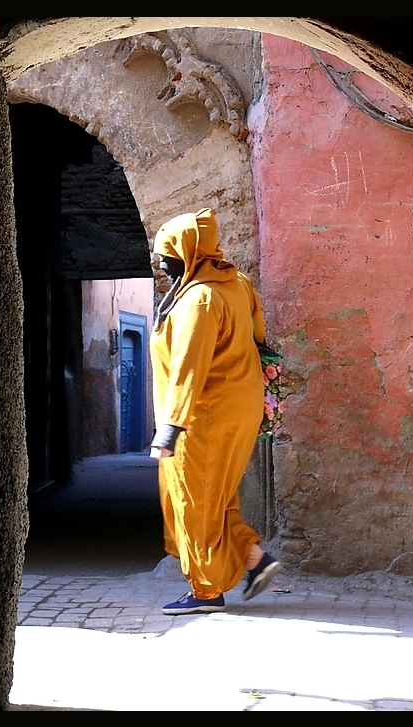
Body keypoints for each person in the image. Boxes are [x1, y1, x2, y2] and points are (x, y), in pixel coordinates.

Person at [148, 207, 281, 615]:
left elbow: (191, 365)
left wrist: (171, 427)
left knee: (194, 500)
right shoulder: (236, 284)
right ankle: (255, 558)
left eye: (167, 258)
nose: (164, 268)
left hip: (202, 414)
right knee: (216, 497)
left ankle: (206, 592)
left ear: (187, 254)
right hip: (237, 407)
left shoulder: (199, 299)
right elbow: (259, 338)